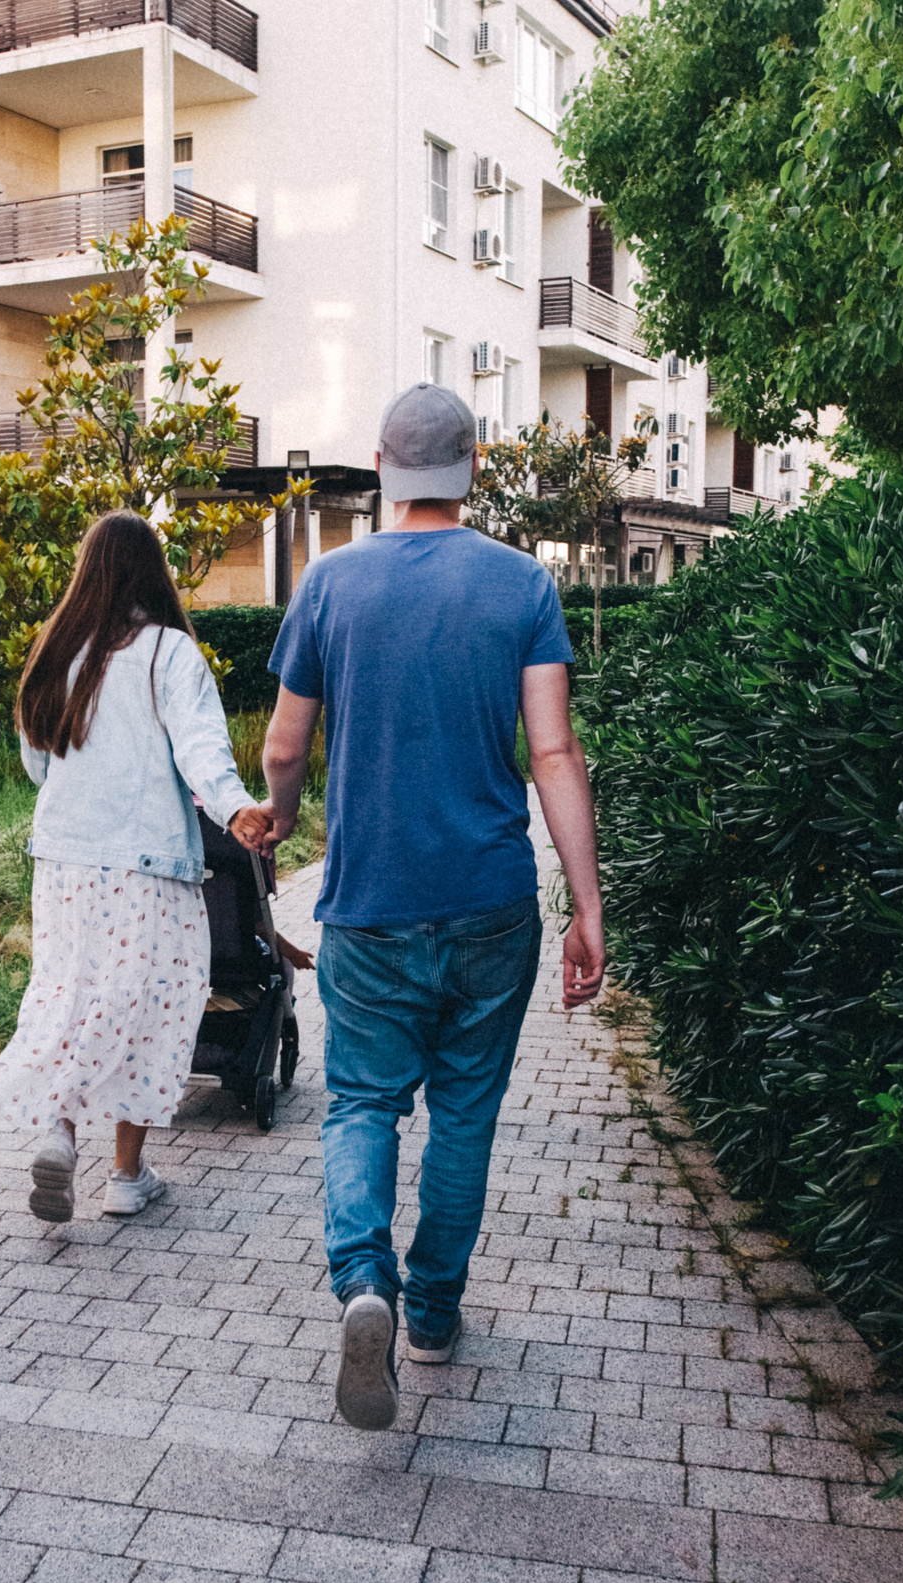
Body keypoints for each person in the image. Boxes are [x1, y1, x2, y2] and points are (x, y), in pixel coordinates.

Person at [258, 383, 606, 1431]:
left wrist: (274, 820)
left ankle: (364, 1283)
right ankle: (434, 1315)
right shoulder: (521, 587)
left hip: (367, 902)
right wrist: (588, 906)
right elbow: (552, 751)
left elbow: (283, 746)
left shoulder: (330, 583)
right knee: (463, 1114)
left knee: (362, 1103)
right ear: (473, 465)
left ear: (381, 464)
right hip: (493, 902)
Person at [0, 511, 275, 1221]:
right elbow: (201, 748)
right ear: (154, 574)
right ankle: (125, 1174)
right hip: (146, 867)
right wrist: (236, 810)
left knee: (65, 996)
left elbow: (36, 759)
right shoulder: (170, 653)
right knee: (143, 1009)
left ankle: (56, 1129)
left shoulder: (56, 651)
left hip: (63, 864)